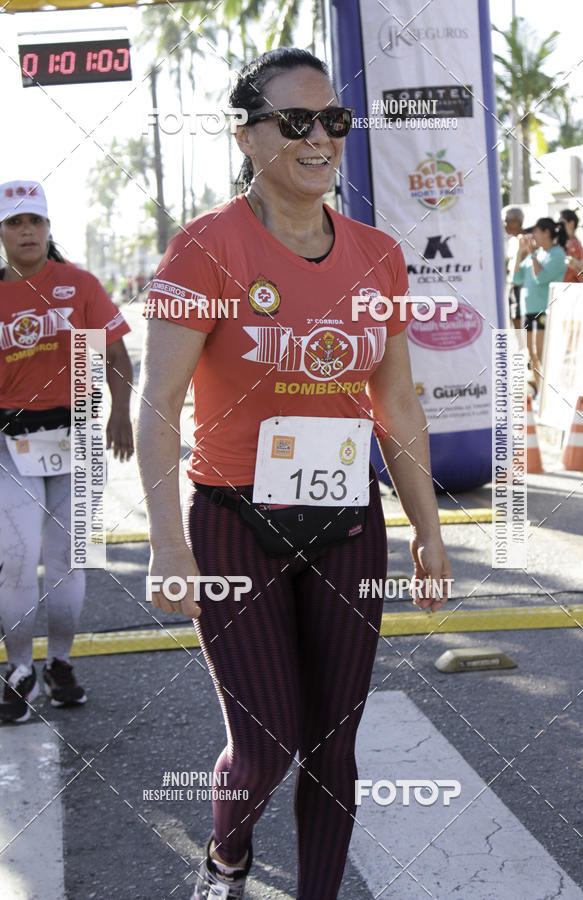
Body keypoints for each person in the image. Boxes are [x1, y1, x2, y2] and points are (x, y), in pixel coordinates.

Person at [136, 48, 452, 900]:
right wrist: (169, 544)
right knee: (267, 739)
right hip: (236, 518)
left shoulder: (380, 255)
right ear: (247, 134)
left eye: (334, 121)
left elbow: (399, 409)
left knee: (335, 745)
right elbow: (159, 404)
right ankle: (228, 855)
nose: (321, 138)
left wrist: (427, 529)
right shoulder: (205, 248)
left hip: (349, 520)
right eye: (297, 121)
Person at [0, 180, 134, 723]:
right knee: (15, 557)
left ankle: (58, 663)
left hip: (76, 434)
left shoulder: (77, 284)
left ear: (49, 228)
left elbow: (115, 355)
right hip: (11, 442)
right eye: (15, 222)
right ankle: (17, 670)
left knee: (68, 561)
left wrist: (120, 415)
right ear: (2, 233)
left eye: (35, 221)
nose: (27, 231)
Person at [513, 217, 567, 395]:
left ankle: (553, 393)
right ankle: (542, 396)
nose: (532, 235)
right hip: (529, 309)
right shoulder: (532, 255)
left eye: (535, 231)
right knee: (532, 355)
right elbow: (516, 278)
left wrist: (532, 254)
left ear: (546, 232)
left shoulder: (557, 253)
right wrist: (520, 252)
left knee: (542, 353)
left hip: (545, 308)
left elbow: (541, 277)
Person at [503, 207, 524, 328]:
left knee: (522, 325)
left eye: (507, 221)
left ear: (516, 221)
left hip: (521, 288)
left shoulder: (525, 240)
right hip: (512, 286)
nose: (505, 225)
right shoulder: (512, 241)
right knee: (514, 321)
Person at [559, 209, 583, 282]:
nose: (559, 226)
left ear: (571, 223)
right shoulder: (560, 242)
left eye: (562, 223)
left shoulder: (576, 245)